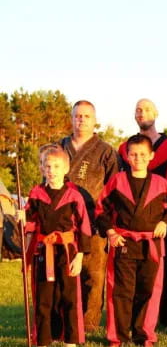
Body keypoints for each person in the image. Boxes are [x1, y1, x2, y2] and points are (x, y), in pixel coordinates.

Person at [95, 134, 167, 347]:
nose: (138, 158)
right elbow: (101, 209)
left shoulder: (160, 184)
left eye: (143, 154)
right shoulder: (117, 181)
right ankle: (118, 337)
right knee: (121, 291)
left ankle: (144, 335)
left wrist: (166, 223)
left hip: (151, 245)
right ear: (126, 156)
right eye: (133, 154)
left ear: (151, 156)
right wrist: (110, 232)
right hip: (123, 244)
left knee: (148, 291)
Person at [118, 98, 167, 330]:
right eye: (137, 109)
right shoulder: (126, 149)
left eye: (146, 109)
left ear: (156, 113)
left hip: (160, 223)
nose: (141, 112)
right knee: (130, 279)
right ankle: (131, 323)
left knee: (165, 273)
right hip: (132, 227)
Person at [24, 146, 91, 347]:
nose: (51, 170)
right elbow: (30, 223)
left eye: (56, 166)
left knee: (69, 297)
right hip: (44, 251)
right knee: (44, 298)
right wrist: (22, 218)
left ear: (65, 168)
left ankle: (70, 341)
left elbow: (85, 227)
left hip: (67, 251)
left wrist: (80, 256)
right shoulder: (36, 193)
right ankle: (42, 341)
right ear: (42, 168)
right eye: (47, 166)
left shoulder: (74, 195)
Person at [59, 100, 120, 331]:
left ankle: (90, 322)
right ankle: (64, 320)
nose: (81, 119)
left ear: (95, 121)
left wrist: (108, 222)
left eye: (86, 116)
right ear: (72, 118)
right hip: (63, 222)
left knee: (93, 275)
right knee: (65, 272)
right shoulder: (59, 147)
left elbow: (115, 188)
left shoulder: (106, 151)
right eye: (77, 115)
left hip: (94, 221)